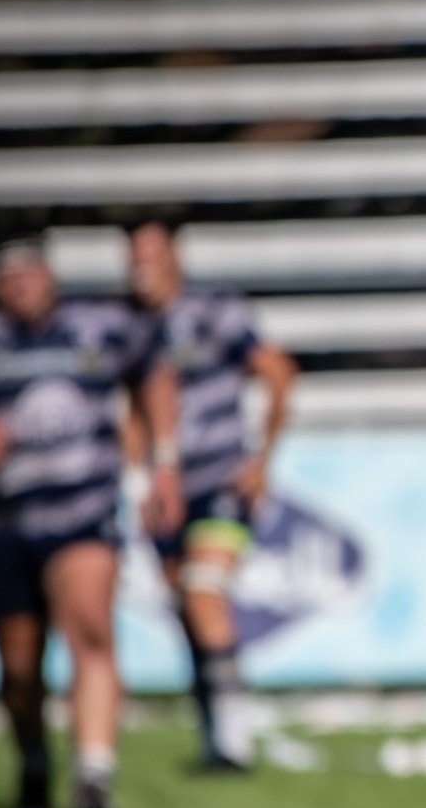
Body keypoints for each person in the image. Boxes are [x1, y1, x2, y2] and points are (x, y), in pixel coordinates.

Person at [0, 228, 182, 808]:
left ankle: (93, 778)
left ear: (50, 273)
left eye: (29, 273)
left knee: (90, 629)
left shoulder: (99, 325)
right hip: (0, 521)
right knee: (19, 665)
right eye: (8, 277)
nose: (21, 285)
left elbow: (154, 372)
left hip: (81, 513)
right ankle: (34, 758)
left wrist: (162, 462)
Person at [126, 219, 298, 771]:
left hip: (221, 478)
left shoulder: (215, 311)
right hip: (164, 492)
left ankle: (233, 741)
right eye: (134, 255)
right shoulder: (126, 325)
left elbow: (277, 371)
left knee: (204, 594)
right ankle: (212, 735)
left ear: (176, 254)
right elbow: (132, 413)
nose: (142, 266)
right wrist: (137, 481)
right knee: (184, 609)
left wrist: (262, 460)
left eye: (152, 252)